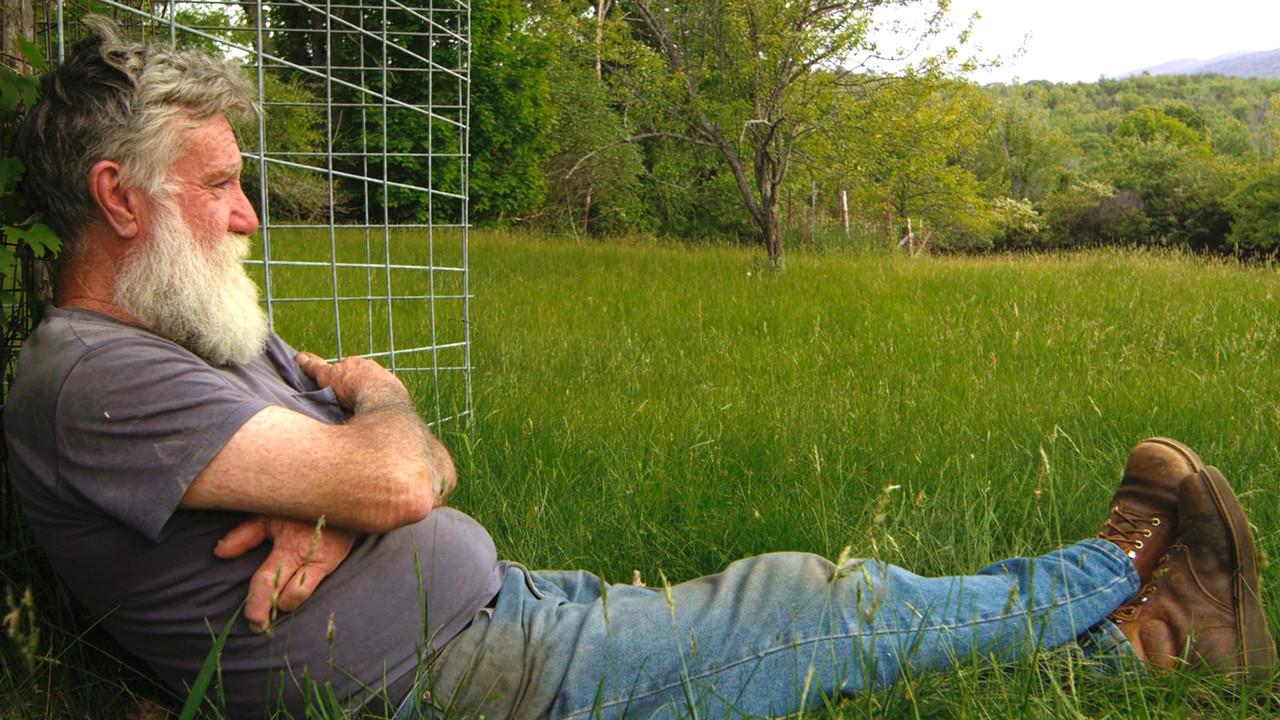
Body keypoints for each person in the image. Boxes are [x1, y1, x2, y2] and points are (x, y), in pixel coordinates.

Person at [5, 18, 1275, 720]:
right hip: (462, 685)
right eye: (219, 184)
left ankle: (1141, 652)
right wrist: (365, 444)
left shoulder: (202, 334)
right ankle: (1120, 570)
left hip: (492, 611)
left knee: (802, 646)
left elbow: (404, 475)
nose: (247, 217)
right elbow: (398, 473)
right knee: (807, 603)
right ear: (118, 197)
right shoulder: (89, 376)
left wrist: (347, 480)